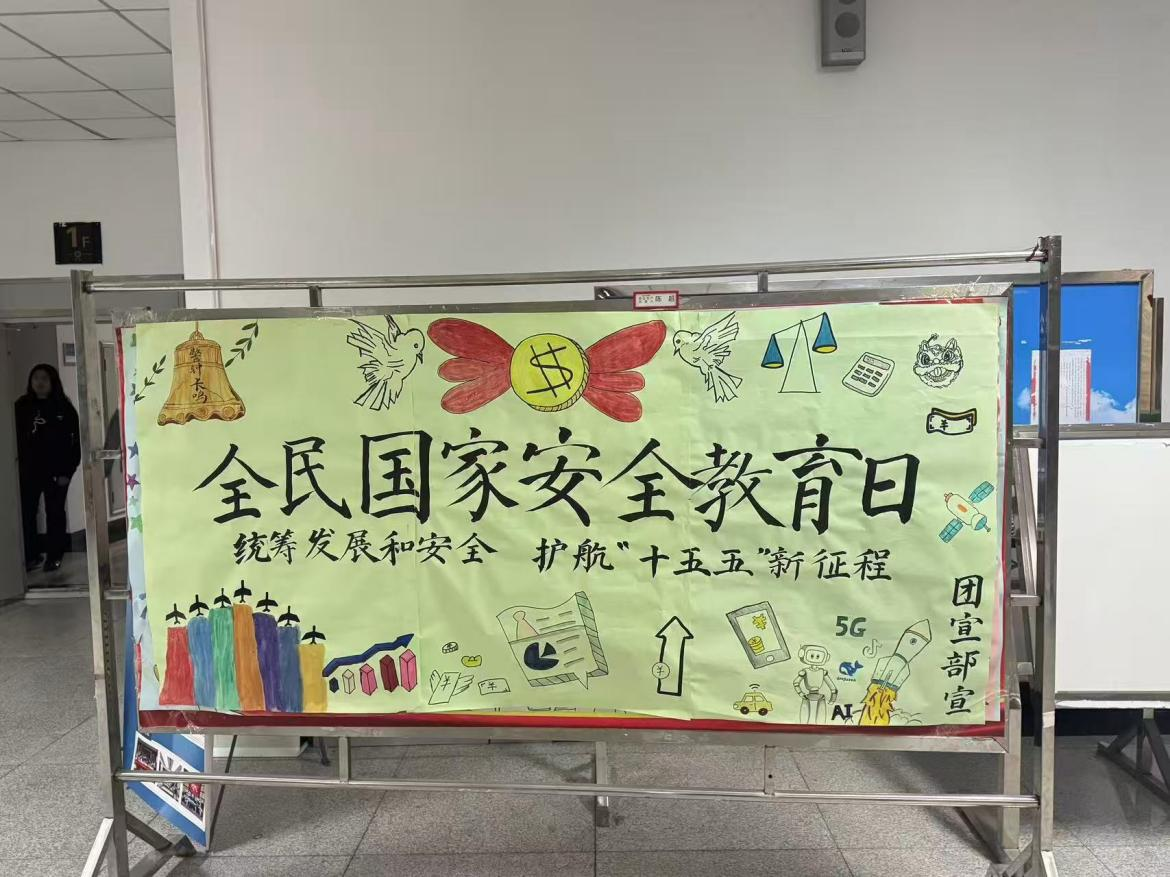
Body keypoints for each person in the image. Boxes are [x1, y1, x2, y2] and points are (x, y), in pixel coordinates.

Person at [15, 364, 80, 572]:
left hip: (57, 472)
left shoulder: (64, 407)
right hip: (28, 471)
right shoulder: (21, 406)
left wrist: (67, 472)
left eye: (44, 378)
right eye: (35, 378)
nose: (39, 382)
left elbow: (75, 443)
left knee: (54, 512)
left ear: (52, 381)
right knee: (27, 513)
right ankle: (31, 556)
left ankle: (54, 556)